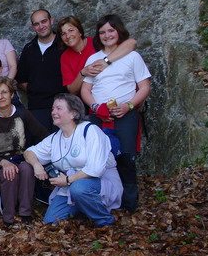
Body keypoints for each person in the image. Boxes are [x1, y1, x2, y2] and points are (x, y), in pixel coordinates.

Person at [81, 15, 150, 211]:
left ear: (119, 31)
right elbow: (85, 90)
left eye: (111, 30)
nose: (107, 35)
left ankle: (129, 204)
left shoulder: (132, 56)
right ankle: (102, 201)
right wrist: (95, 107)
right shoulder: (93, 59)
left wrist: (129, 105)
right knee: (98, 157)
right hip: (99, 114)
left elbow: (144, 87)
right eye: (102, 32)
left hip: (125, 112)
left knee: (126, 157)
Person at [24, 94, 122, 226]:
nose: (53, 112)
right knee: (50, 222)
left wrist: (67, 180)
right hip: (70, 186)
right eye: (53, 109)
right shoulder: (55, 137)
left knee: (79, 189)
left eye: (59, 108)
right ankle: (83, 210)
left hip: (98, 182)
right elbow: (29, 152)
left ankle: (104, 221)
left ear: (73, 114)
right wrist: (36, 165)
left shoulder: (90, 130)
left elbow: (96, 169)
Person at [0, 77, 49, 224]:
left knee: (26, 168)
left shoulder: (23, 114)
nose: (0, 96)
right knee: (9, 173)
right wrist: (3, 162)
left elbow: (43, 135)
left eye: (4, 92)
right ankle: (9, 217)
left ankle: (25, 214)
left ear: (12, 95)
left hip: (21, 159)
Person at [58, 15, 137, 95]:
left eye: (71, 30)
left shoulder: (97, 43)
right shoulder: (65, 57)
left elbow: (131, 43)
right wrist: (82, 73)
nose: (67, 36)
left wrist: (106, 61)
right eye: (63, 34)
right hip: (87, 98)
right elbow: (72, 90)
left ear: (80, 31)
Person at [16, 9, 66, 131]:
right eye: (36, 24)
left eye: (44, 21)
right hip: (37, 107)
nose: (41, 26)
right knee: (41, 145)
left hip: (63, 105)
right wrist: (36, 90)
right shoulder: (29, 49)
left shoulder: (64, 45)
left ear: (51, 21)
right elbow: (21, 80)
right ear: (33, 27)